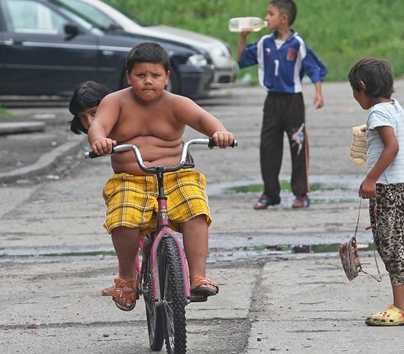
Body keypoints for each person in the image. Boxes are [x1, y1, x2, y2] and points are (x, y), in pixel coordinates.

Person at [88, 42, 234, 311]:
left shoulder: (177, 104)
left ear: (167, 76)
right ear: (129, 76)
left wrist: (220, 133)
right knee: (124, 216)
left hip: (175, 176)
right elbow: (99, 125)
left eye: (155, 75)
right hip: (131, 178)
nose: (148, 82)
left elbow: (206, 121)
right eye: (141, 75)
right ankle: (128, 278)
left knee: (195, 208)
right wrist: (99, 140)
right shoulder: (115, 102)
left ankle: (198, 275)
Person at [347, 57, 404, 326]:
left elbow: (393, 147)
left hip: (388, 188)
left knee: (390, 245)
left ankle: (401, 307)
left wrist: (371, 179)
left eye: (354, 91)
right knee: (397, 243)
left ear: (363, 86)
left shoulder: (377, 113)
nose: (356, 98)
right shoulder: (396, 108)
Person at [236, 0, 328, 210]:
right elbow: (242, 59)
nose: (266, 18)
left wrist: (318, 93)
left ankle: (301, 193)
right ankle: (270, 193)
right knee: (268, 147)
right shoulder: (264, 43)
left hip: (293, 102)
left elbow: (314, 68)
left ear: (283, 18)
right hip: (272, 102)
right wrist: (242, 37)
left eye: (270, 14)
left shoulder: (297, 44)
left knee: (298, 146)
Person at [69, 81, 125, 297]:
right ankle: (127, 278)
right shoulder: (100, 131)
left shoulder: (130, 117)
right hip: (130, 181)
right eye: (83, 117)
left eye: (94, 113)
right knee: (124, 225)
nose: (89, 122)